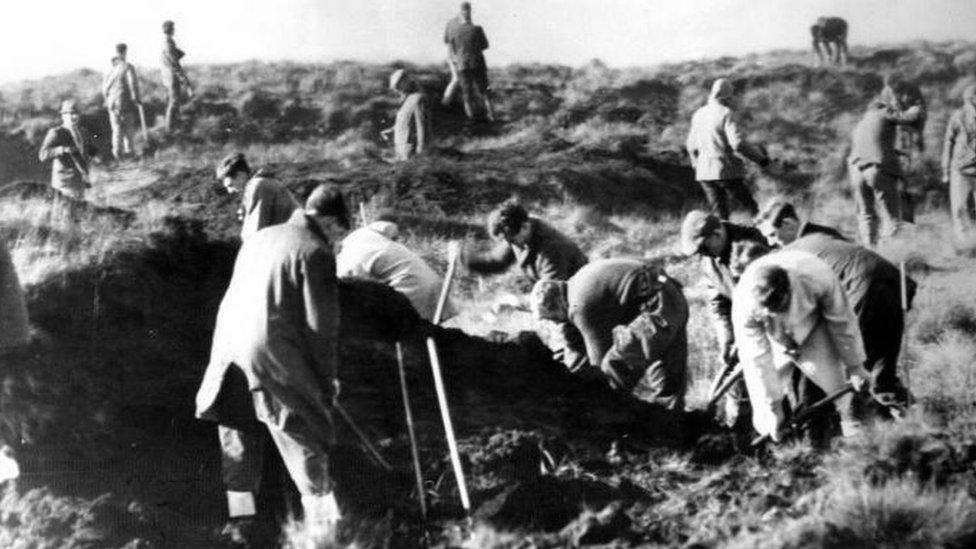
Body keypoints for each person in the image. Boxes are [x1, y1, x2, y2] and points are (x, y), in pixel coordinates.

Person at [195, 186, 351, 539]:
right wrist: (327, 386)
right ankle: (324, 534)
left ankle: (242, 527)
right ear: (328, 221)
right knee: (305, 438)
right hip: (273, 360)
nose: (337, 242)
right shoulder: (315, 252)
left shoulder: (260, 237)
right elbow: (320, 331)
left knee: (238, 443)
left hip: (229, 352)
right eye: (339, 233)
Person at [732, 248, 871, 442]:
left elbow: (841, 320)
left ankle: (858, 429)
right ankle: (789, 436)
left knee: (841, 386)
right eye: (770, 310)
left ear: (789, 290)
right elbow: (757, 361)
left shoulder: (816, 275)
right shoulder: (743, 304)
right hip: (773, 333)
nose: (776, 312)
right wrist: (773, 408)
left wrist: (856, 366)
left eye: (779, 307)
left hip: (814, 322)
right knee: (769, 410)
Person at [531, 258, 689, 409]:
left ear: (557, 303)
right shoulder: (577, 284)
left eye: (552, 318)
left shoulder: (580, 306)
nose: (556, 323)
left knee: (614, 368)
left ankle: (611, 425)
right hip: (669, 296)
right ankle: (671, 426)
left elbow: (598, 361)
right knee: (668, 378)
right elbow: (576, 345)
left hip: (657, 306)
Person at [680, 210, 767, 426]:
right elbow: (717, 300)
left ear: (717, 234)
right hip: (742, 317)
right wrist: (727, 336)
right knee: (729, 362)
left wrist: (754, 328)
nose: (702, 254)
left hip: (770, 315)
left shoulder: (753, 244)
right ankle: (738, 421)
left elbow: (770, 290)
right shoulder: (708, 260)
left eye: (704, 246)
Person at [848, 81, 926, 246]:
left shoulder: (863, 121)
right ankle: (892, 255)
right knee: (892, 218)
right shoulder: (883, 111)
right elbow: (909, 117)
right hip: (877, 169)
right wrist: (916, 107)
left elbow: (873, 143)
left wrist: (895, 152)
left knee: (866, 214)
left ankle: (870, 249)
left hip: (856, 170)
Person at [685, 78, 770, 219]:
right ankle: (765, 238)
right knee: (752, 210)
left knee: (721, 217)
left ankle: (725, 240)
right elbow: (738, 144)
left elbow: (690, 145)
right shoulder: (726, 113)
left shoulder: (698, 114)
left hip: (704, 173)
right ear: (727, 97)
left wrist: (696, 164)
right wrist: (762, 161)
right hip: (726, 171)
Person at [337, 220, 454, 321]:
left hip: (412, 291)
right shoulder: (363, 232)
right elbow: (392, 228)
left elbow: (360, 296)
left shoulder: (344, 264)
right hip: (433, 284)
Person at [463, 200, 588, 283]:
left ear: (525, 226)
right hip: (555, 292)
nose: (510, 244)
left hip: (580, 300)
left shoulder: (552, 248)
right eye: (507, 240)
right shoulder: (516, 233)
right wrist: (465, 259)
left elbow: (552, 294)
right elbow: (497, 262)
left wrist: (517, 304)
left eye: (512, 239)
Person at [215, 153, 300, 240]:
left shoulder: (257, 186)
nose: (230, 191)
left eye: (231, 185)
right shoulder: (262, 183)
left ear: (241, 175)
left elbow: (255, 236)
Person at [443, 2, 494, 121]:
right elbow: (485, 45)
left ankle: (471, 119)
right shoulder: (477, 29)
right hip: (477, 63)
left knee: (467, 93)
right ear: (470, 12)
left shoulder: (453, 29)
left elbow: (450, 45)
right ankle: (491, 115)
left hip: (461, 65)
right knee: (485, 91)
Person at [38, 100, 97, 202]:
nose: (72, 117)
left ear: (79, 115)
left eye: (75, 114)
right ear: (62, 116)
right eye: (68, 114)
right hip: (64, 183)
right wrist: (61, 150)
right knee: (64, 211)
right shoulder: (56, 133)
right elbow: (42, 155)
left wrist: (94, 160)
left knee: (79, 211)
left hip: (80, 181)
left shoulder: (83, 132)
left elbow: (91, 151)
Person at [941, 84, 976, 241]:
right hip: (960, 169)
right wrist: (945, 170)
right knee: (959, 209)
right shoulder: (959, 116)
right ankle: (965, 243)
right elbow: (948, 142)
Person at [102, 43, 141, 161]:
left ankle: (117, 153)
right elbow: (132, 84)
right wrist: (136, 99)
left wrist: (108, 101)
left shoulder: (108, 69)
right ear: (125, 52)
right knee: (128, 127)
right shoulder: (128, 67)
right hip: (124, 102)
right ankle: (130, 152)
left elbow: (104, 89)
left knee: (116, 128)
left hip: (111, 103)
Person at [381, 70, 431, 162]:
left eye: (397, 86)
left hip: (409, 150)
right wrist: (392, 129)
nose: (396, 90)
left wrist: (421, 150)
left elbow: (422, 126)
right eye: (395, 88)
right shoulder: (407, 99)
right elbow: (406, 121)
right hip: (400, 148)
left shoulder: (418, 98)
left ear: (406, 81)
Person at [754, 199, 847, 247]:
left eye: (772, 235)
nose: (770, 243)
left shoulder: (820, 240)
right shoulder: (823, 232)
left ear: (788, 223)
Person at [161, 20, 194, 132]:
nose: (174, 30)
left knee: (174, 102)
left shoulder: (168, 43)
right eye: (173, 28)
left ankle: (172, 127)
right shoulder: (168, 43)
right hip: (171, 77)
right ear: (170, 30)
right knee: (174, 102)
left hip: (168, 77)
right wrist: (186, 82)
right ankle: (169, 130)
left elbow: (174, 57)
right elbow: (175, 65)